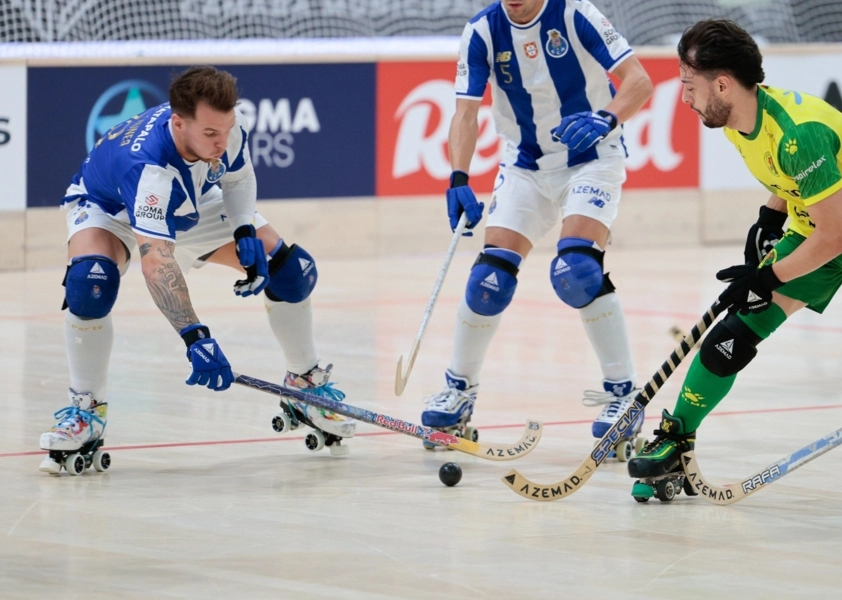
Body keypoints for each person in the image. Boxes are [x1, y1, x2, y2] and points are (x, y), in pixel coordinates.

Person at [626, 19, 842, 521]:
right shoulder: (741, 118)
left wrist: (767, 277)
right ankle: (676, 438)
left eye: (689, 85)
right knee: (731, 335)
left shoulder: (798, 132)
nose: (684, 98)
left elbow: (837, 238)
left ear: (722, 84)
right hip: (818, 223)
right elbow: (789, 182)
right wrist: (769, 219)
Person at [43, 66, 353, 474]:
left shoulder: (223, 127)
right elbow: (157, 263)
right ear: (178, 123)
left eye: (226, 129)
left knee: (292, 272)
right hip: (110, 207)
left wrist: (243, 227)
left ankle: (304, 383)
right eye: (210, 134)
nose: (221, 142)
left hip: (188, 201)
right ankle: (86, 409)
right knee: (90, 285)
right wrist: (196, 337)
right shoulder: (148, 168)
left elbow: (239, 178)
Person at [424, 0, 654, 445]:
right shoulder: (482, 31)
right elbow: (465, 113)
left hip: (591, 159)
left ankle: (625, 395)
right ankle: (459, 391)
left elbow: (639, 81)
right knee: (488, 280)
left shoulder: (575, 14)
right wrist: (458, 178)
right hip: (525, 166)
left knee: (576, 271)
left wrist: (605, 118)